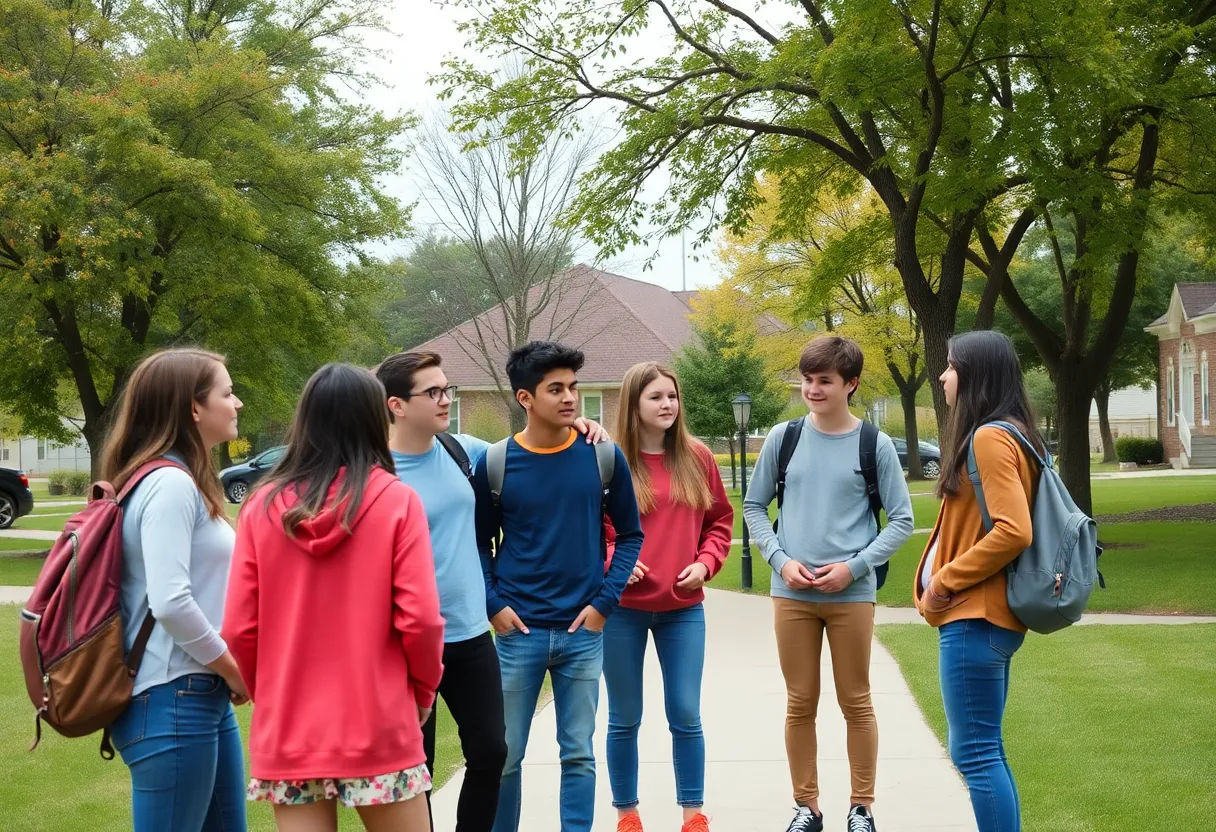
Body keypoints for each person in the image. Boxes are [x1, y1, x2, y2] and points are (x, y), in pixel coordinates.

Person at [374, 350, 611, 832]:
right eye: (433, 392)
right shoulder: (372, 469)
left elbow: (533, 452)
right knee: (416, 764)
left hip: (468, 633)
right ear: (397, 405)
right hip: (400, 641)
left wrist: (578, 425)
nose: (446, 399)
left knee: (490, 752)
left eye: (447, 389)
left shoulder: (465, 452)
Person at [222, 363, 445, 832]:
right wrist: (423, 692)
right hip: (379, 721)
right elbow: (422, 619)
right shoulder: (396, 501)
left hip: (290, 728)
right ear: (374, 419)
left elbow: (240, 628)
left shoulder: (261, 506)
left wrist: (271, 696)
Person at [743, 336, 914, 832]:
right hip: (792, 594)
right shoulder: (784, 438)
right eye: (807, 379)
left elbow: (902, 520)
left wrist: (854, 568)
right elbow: (754, 507)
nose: (812, 389)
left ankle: (862, 808)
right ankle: (807, 807)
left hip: (851, 595)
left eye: (824, 381)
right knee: (800, 702)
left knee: (856, 701)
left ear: (850, 384)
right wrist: (780, 561)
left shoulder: (874, 444)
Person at [474, 340, 645, 832]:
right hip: (517, 635)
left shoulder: (602, 456)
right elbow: (477, 543)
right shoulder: (495, 463)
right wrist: (493, 604)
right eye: (556, 389)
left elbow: (630, 535)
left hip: (583, 633)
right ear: (525, 398)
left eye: (573, 386)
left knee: (579, 755)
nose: (570, 397)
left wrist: (604, 604)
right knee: (506, 757)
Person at [103, 348, 249, 832]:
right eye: (227, 393)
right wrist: (235, 670)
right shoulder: (170, 484)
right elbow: (170, 602)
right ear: (193, 408)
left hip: (196, 695)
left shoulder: (173, 479)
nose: (237, 404)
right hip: (172, 699)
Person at [915, 330, 1042, 832]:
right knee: (986, 750)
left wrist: (945, 579)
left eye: (951, 366)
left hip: (975, 617)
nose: (943, 375)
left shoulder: (991, 437)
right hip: (989, 618)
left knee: (975, 754)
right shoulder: (1013, 432)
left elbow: (1014, 530)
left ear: (975, 375)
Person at [604, 362, 734, 832]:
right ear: (633, 403)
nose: (667, 405)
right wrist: (613, 559)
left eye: (672, 396)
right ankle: (627, 814)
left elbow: (719, 521)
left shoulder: (698, 457)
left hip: (683, 610)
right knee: (624, 717)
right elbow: (590, 528)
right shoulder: (609, 461)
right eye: (656, 397)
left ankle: (693, 814)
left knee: (685, 712)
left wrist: (706, 563)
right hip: (622, 611)